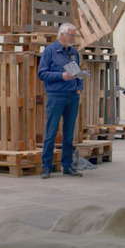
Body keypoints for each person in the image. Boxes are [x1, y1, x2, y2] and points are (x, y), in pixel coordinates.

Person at [37, 23, 85, 178]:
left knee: (69, 133)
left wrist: (79, 88)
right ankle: (46, 166)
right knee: (51, 132)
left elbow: (78, 71)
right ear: (62, 35)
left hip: (72, 96)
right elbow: (42, 73)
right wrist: (61, 76)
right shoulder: (50, 51)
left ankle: (67, 165)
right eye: (71, 35)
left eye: (74, 35)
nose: (73, 38)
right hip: (56, 96)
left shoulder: (73, 52)